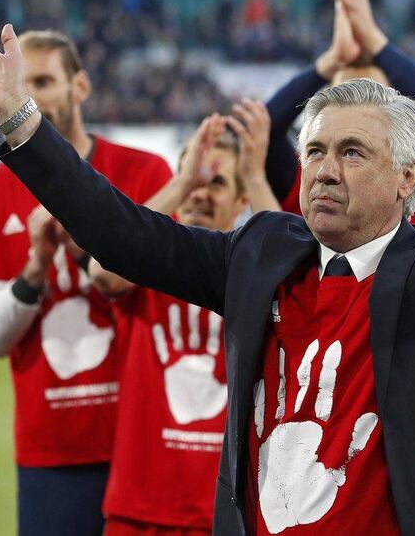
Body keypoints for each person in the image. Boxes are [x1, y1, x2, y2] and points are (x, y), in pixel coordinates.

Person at [0, 0, 415, 534]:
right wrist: (18, 119)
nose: (324, 172)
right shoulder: (262, 253)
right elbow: (123, 234)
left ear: (408, 178)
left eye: (352, 153)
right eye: (314, 152)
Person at [0, 30, 172, 535]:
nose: (31, 96)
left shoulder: (144, 173)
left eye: (45, 81)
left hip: (146, 439)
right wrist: (35, 269)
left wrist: (85, 243)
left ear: (82, 86)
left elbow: (174, 290)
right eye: (21, 83)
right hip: (53, 448)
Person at [93, 105, 280, 535]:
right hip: (139, 507)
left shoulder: (256, 274)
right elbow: (103, 270)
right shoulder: (151, 264)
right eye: (195, 181)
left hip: (223, 513)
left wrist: (254, 175)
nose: (201, 192)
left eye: (216, 183)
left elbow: (298, 279)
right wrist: (182, 181)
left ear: (240, 202)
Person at [265, 0, 415, 223]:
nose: (355, 103)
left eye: (370, 92)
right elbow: (264, 129)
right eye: (345, 92)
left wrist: (373, 38)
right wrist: (331, 60)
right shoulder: (309, 180)